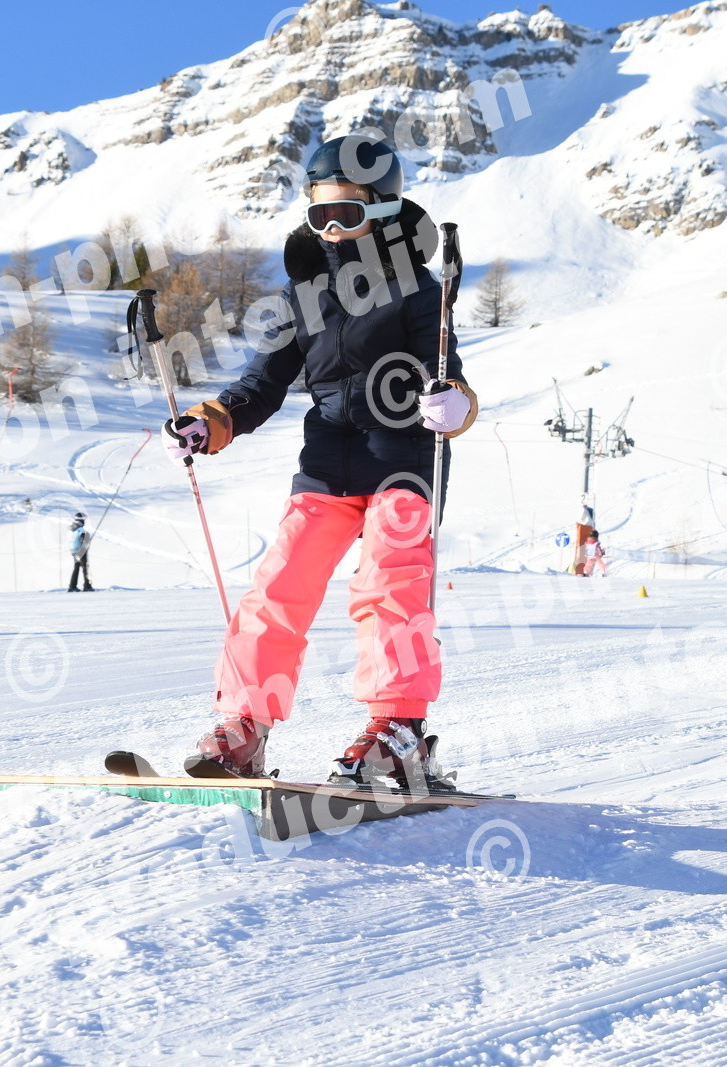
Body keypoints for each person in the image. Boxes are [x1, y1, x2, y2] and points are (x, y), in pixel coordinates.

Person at [162, 135, 477, 789]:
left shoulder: (419, 290)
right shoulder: (300, 297)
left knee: (389, 587)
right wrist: (209, 423)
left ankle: (398, 731)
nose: (331, 229)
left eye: (346, 214)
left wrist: (453, 402)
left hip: (403, 461)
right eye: (319, 215)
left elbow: (445, 372)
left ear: (384, 212)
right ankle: (244, 727)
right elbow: (261, 385)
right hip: (328, 464)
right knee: (279, 588)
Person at [67, 512, 93, 592]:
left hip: (73, 551)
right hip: (81, 551)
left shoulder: (71, 530)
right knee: (85, 568)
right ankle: (87, 586)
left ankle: (72, 586)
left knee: (76, 567)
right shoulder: (81, 530)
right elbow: (84, 542)